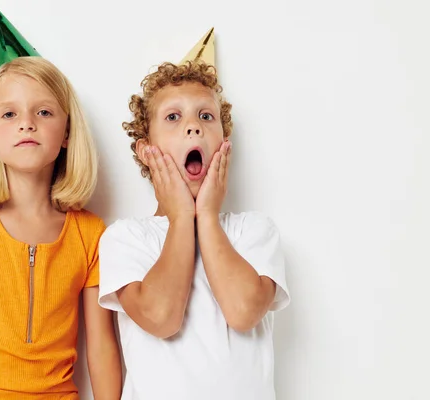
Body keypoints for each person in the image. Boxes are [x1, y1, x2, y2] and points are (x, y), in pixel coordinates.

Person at [98, 29, 290, 400]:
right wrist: (182, 217)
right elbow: (161, 317)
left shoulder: (253, 231)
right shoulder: (126, 239)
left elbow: (243, 311)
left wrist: (208, 217)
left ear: (224, 142)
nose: (193, 125)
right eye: (173, 117)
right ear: (145, 149)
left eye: (206, 116)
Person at [0, 55, 122, 399]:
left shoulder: (90, 234)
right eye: (9, 113)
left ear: (67, 132)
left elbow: (102, 350)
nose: (26, 123)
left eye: (43, 112)